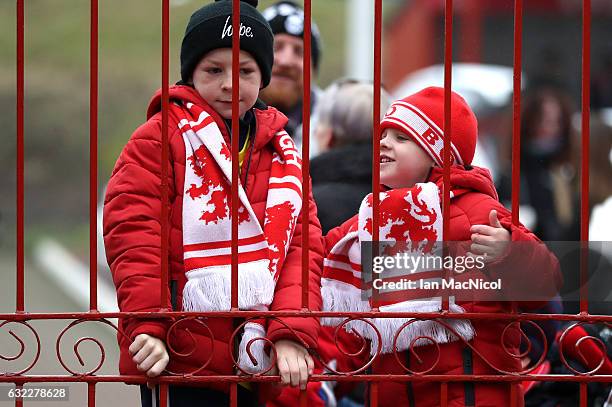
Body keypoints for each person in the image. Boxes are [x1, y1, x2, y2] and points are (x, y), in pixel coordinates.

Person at [102, 1, 324, 406]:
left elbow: (302, 248)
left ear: (263, 78)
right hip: (179, 356)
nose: (230, 84)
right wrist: (147, 324)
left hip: (257, 360)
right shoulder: (159, 136)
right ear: (190, 73)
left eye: (246, 72)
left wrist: (290, 331)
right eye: (214, 70)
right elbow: (134, 234)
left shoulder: (283, 151)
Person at [320, 87, 562, 406]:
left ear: (441, 156)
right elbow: (319, 260)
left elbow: (546, 283)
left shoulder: (478, 210)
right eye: (383, 135)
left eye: (401, 138)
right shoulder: (371, 216)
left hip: (472, 395)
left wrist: (508, 251)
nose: (383, 143)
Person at [310, 78, 391, 234]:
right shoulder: (409, 199)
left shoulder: (308, 204)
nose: (315, 132)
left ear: (329, 135)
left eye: (320, 123)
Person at [260, 0, 323, 152]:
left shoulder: (337, 123)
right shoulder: (218, 118)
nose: (286, 61)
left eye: (299, 51)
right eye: (276, 47)